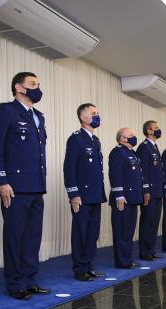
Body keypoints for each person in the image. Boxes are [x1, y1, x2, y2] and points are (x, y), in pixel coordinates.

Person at [0, 71, 51, 300]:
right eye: (32, 84)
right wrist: (1, 181)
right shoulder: (5, 111)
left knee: (33, 236)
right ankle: (15, 283)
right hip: (15, 186)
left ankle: (29, 279)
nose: (37, 88)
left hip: (36, 186)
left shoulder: (39, 116)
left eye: (38, 83)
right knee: (15, 236)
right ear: (19, 87)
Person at [63, 103, 107, 281]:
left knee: (92, 233)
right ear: (83, 117)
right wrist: (73, 193)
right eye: (93, 113)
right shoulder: (76, 138)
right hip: (82, 195)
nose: (97, 116)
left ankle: (89, 265)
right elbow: (69, 168)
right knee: (80, 232)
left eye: (97, 112)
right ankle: (80, 269)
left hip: (95, 194)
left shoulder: (95, 140)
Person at [108, 128, 148, 268]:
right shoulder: (117, 152)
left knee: (129, 231)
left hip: (133, 198)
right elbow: (115, 175)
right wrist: (118, 195)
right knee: (121, 231)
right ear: (122, 138)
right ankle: (122, 261)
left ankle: (127, 259)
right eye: (131, 135)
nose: (134, 137)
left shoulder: (132, 153)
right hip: (122, 199)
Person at [136, 120, 164, 261]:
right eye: (156, 128)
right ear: (149, 131)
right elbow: (144, 171)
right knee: (147, 222)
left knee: (154, 222)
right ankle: (144, 251)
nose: (159, 130)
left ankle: (151, 249)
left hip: (157, 191)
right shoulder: (144, 147)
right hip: (149, 192)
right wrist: (145, 190)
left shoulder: (154, 147)